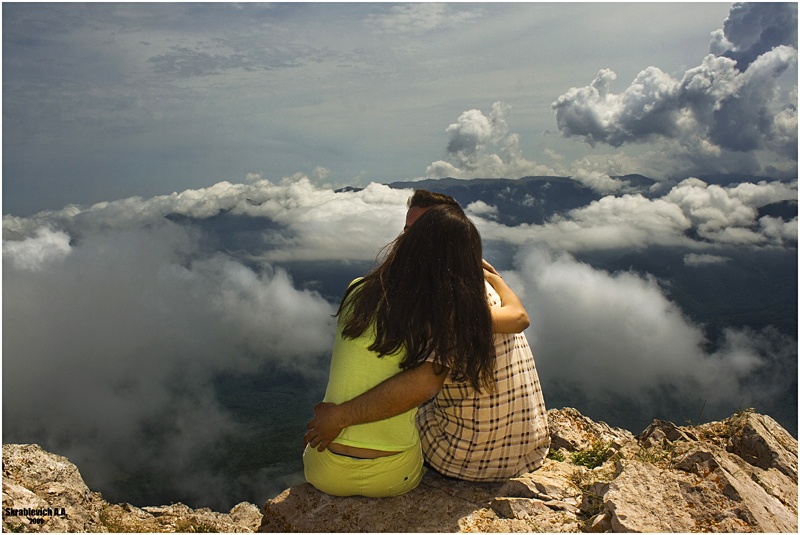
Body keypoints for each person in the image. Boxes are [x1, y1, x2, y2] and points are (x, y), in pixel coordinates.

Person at [304, 190, 550, 482]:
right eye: (408, 229)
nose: (408, 239)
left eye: (418, 232)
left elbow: (423, 385)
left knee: (406, 412)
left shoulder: (443, 305)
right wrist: (495, 277)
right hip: (529, 447)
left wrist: (340, 417)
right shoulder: (478, 291)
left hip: (470, 459)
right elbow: (519, 317)